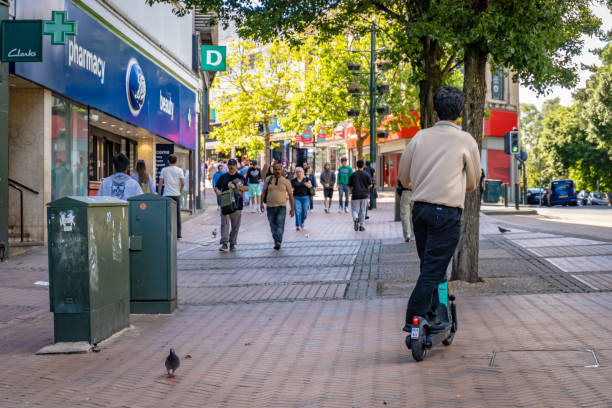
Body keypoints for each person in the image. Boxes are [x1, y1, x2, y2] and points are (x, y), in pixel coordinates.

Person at [398, 86, 480, 331]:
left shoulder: (419, 137)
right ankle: (414, 313)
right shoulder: (466, 140)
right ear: (460, 111)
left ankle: (434, 313)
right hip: (447, 212)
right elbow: (473, 183)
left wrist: (419, 184)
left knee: (428, 265)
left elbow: (403, 178)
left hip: (420, 209)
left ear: (435, 110)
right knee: (434, 268)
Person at [214, 159, 249, 252]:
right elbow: (216, 186)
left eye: (233, 165)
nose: (231, 167)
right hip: (225, 204)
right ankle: (224, 244)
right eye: (230, 165)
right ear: (228, 166)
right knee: (224, 224)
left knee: (235, 226)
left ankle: (232, 243)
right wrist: (217, 191)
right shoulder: (223, 177)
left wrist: (237, 187)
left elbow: (247, 188)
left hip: (237, 205)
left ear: (236, 166)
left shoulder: (240, 177)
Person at [261, 162, 295, 250]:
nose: (277, 171)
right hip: (270, 206)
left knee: (280, 224)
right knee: (273, 226)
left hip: (281, 206)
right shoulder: (268, 179)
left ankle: (278, 241)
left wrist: (292, 209)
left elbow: (291, 196)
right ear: (273, 170)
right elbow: (264, 192)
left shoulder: (286, 181)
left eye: (279, 169)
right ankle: (276, 240)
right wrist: (261, 203)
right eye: (275, 169)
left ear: (282, 170)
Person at [158, 154, 185, 239]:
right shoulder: (179, 170)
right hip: (176, 195)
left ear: (168, 161)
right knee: (177, 215)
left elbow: (160, 183)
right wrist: (179, 191)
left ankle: (166, 233)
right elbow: (183, 183)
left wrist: (159, 194)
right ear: (176, 161)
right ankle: (178, 234)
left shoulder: (164, 170)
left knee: (166, 215)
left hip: (167, 195)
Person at [348, 159, 372, 231]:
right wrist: (365, 188)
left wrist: (352, 191)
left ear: (356, 166)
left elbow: (350, 186)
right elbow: (370, 185)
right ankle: (361, 226)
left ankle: (356, 219)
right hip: (364, 195)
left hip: (355, 195)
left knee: (355, 210)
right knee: (363, 211)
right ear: (363, 166)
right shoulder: (366, 174)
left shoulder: (353, 175)